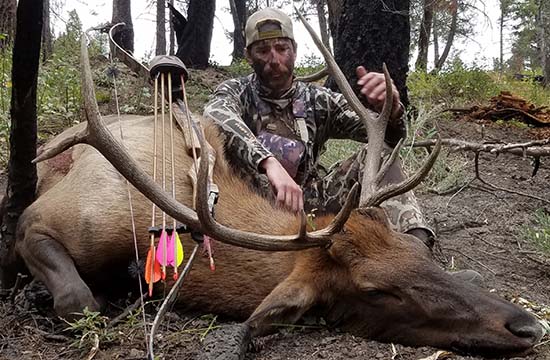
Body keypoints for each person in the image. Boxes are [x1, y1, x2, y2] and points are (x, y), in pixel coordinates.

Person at [204, 7, 434, 248]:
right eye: (263, 50)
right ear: (249, 56)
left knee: (381, 158)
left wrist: (392, 110)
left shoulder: (319, 100)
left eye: (282, 49)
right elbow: (215, 115)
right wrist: (268, 163)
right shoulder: (235, 92)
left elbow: (387, 139)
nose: (274, 60)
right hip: (251, 206)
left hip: (309, 202)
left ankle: (417, 249)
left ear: (294, 51)